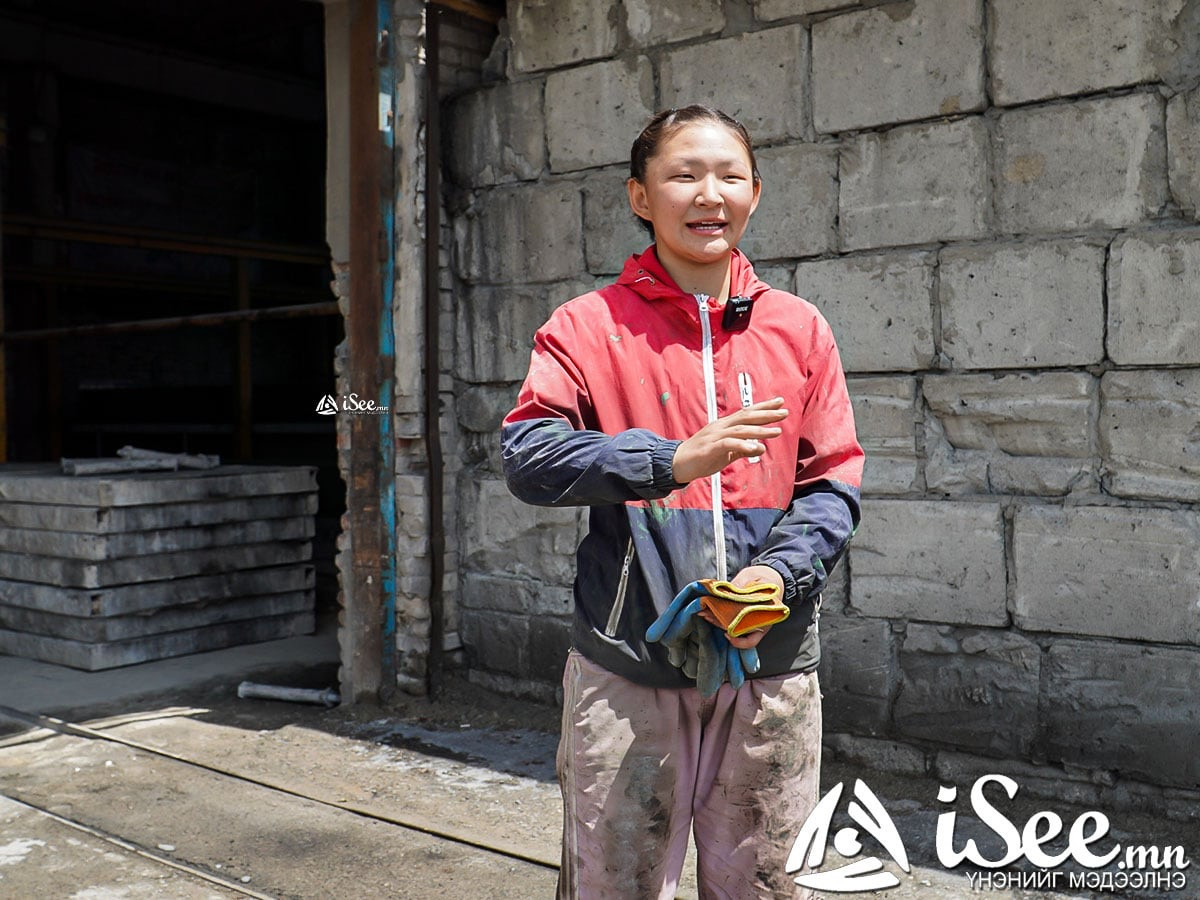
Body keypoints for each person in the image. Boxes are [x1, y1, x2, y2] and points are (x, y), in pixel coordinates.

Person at [500, 105, 864, 899]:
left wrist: (777, 578)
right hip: (629, 664)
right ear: (640, 195)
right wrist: (670, 459)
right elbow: (527, 457)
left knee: (765, 883)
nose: (710, 193)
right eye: (684, 174)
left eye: (730, 176)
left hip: (770, 665)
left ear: (755, 194)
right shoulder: (587, 327)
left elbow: (833, 482)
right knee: (616, 885)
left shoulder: (800, 330)